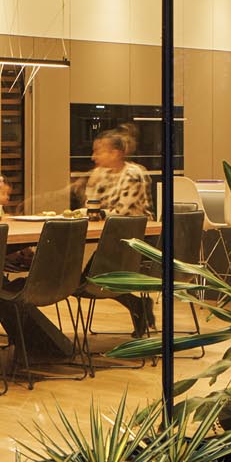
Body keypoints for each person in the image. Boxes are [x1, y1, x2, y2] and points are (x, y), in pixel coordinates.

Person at [79, 128, 154, 337]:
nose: (93, 157)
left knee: (88, 281)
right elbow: (91, 206)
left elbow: (122, 213)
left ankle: (138, 306)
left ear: (116, 153)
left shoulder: (133, 174)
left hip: (135, 241)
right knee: (85, 280)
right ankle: (138, 305)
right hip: (111, 238)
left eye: (99, 152)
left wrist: (94, 212)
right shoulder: (100, 174)